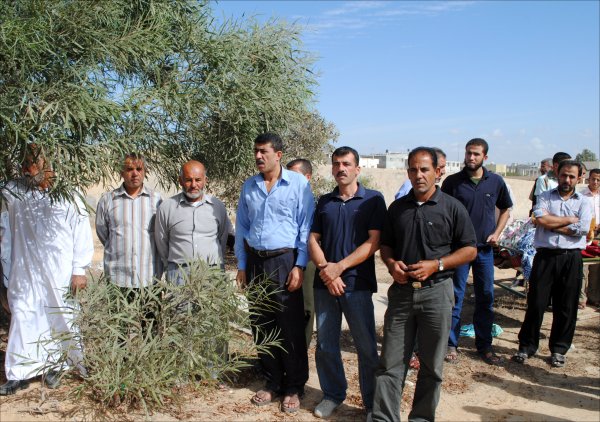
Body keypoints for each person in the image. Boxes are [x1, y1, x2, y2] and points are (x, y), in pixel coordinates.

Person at [373, 147, 477, 422]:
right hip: (402, 294)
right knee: (390, 363)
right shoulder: (397, 208)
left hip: (437, 294)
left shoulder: (452, 207)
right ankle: (384, 418)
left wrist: (437, 264)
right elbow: (386, 245)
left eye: (424, 169)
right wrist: (391, 264)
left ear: (438, 172)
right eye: (413, 169)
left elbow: (470, 250)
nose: (418, 175)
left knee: (431, 367)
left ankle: (421, 418)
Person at [0, 147, 94, 395]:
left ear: (46, 163)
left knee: (60, 316)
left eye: (30, 163)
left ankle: (58, 365)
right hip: (25, 271)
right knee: (23, 316)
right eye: (23, 164)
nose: (24, 169)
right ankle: (18, 372)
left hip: (59, 271)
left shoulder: (69, 194)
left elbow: (81, 231)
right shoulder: (14, 191)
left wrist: (79, 269)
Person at [235, 133, 314, 413]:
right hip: (255, 262)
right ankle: (272, 381)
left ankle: (294, 386)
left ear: (278, 155)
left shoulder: (298, 185)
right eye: (255, 151)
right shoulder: (249, 186)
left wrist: (299, 265)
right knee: (261, 323)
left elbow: (305, 227)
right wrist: (242, 265)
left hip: (285, 261)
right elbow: (242, 227)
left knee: (289, 326)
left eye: (264, 151)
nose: (258, 156)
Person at [308, 146, 386, 419]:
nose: (341, 168)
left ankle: (372, 404)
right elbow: (312, 239)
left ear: (357, 169)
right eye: (336, 164)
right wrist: (326, 271)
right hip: (325, 284)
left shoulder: (373, 200)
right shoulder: (324, 201)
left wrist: (339, 268)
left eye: (346, 164)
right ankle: (332, 394)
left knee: (366, 347)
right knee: (326, 345)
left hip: (357, 285)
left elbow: (374, 242)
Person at [512, 161, 592, 368]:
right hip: (545, 257)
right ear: (557, 174)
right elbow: (540, 220)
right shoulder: (545, 196)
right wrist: (570, 220)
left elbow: (583, 228)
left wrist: (551, 224)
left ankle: (559, 349)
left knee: (566, 306)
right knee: (536, 303)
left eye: (572, 176)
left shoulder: (584, 202)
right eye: (564, 175)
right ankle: (527, 346)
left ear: (579, 178)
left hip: (571, 257)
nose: (567, 180)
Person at [441, 138, 513, 365]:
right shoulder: (453, 182)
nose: (471, 158)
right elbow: (443, 212)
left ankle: (485, 346)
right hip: (460, 250)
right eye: (468, 153)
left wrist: (497, 233)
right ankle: (451, 344)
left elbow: (505, 209)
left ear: (485, 157)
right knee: (455, 298)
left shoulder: (496, 182)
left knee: (486, 298)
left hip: (484, 251)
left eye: (476, 154)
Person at [155, 160, 231, 284]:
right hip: (178, 273)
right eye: (188, 180)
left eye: (198, 180)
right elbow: (161, 242)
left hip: (212, 272)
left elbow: (222, 239)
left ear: (205, 180)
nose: (193, 185)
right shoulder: (166, 207)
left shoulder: (217, 207)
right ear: (180, 181)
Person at [96, 153, 162, 289]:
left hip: (149, 278)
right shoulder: (108, 200)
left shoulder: (156, 200)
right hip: (117, 279)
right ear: (121, 172)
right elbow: (103, 234)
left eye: (139, 169)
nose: (135, 174)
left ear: (145, 171)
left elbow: (162, 235)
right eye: (129, 169)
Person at [286, 158, 316, 349]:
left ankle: (301, 350)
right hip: (285, 256)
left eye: (295, 175)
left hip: (309, 259)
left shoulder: (317, 202)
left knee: (306, 307)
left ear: (307, 177)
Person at [578, 168, 600, 308]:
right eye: (593, 179)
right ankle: (581, 298)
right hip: (585, 234)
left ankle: (594, 297)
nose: (595, 182)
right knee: (583, 266)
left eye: (598, 180)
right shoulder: (581, 195)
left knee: (596, 267)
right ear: (588, 179)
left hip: (598, 235)